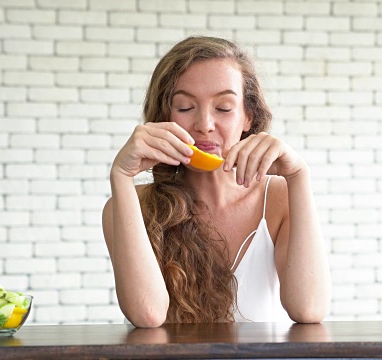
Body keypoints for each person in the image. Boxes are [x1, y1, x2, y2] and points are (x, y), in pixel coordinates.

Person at [102, 36, 331, 327]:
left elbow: (309, 309)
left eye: (223, 108)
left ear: (249, 116)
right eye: (185, 108)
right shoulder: (130, 206)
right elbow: (147, 314)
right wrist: (121, 177)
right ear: (163, 117)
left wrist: (299, 176)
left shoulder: (279, 199)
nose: (204, 125)